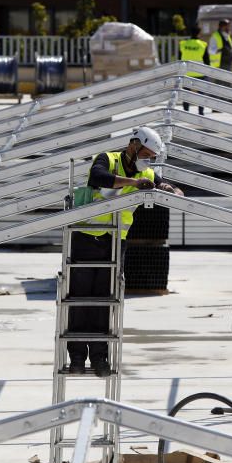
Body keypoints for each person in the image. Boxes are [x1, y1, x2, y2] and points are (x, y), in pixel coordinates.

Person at [68, 127, 183, 377]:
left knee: (105, 301)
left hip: (115, 241)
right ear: (133, 146)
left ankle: (100, 357)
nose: (148, 161)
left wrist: (170, 191)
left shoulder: (149, 173)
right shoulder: (108, 160)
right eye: (146, 154)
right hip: (87, 237)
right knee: (79, 299)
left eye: (152, 157)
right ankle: (77, 356)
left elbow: (173, 188)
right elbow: (98, 178)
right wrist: (134, 183)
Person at [178, 25, 209, 115]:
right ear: (199, 33)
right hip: (199, 73)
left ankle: (186, 112)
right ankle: (201, 112)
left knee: (186, 93)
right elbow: (207, 61)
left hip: (186, 72)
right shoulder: (203, 45)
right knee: (200, 94)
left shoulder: (183, 44)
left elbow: (179, 58)